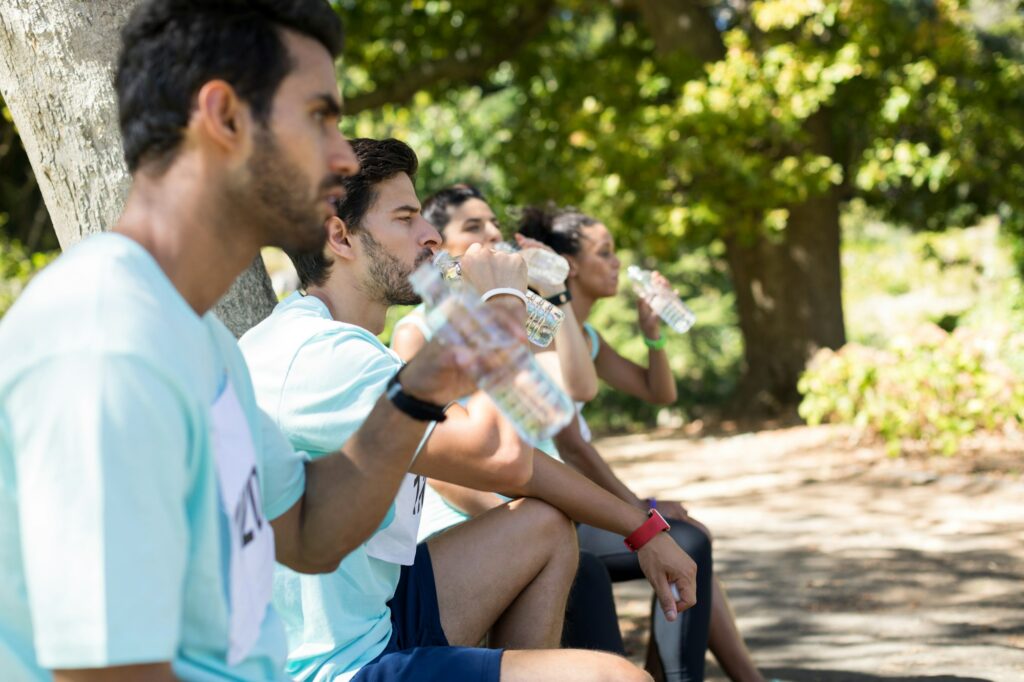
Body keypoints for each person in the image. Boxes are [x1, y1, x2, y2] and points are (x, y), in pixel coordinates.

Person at [0, 2, 504, 680]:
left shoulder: (199, 336)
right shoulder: (108, 342)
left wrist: (418, 391)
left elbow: (308, 530)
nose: (338, 157)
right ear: (225, 117)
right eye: (320, 117)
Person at [240, 137, 700, 681]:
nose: (429, 235)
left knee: (546, 524)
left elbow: (527, 459)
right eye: (407, 218)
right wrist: (499, 299)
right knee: (620, 679)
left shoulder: (348, 346)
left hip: (375, 615)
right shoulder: (317, 357)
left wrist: (642, 529)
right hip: (326, 666)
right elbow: (500, 454)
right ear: (340, 236)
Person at [520, 205, 771, 682]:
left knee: (690, 542)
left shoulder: (587, 337)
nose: (617, 263)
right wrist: (641, 510)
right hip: (552, 504)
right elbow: (571, 447)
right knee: (687, 540)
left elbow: (660, 393)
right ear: (569, 266)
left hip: (577, 501)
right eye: (605, 253)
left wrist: (652, 335)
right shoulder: (543, 330)